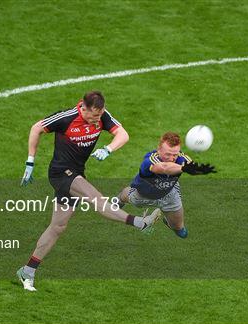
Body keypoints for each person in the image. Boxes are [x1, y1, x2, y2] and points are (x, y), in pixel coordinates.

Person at [16, 91, 161, 291]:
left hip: (77, 173)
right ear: (83, 107)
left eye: (99, 116)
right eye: (93, 116)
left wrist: (108, 149)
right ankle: (141, 223)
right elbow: (36, 128)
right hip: (60, 173)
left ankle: (28, 271)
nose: (96, 120)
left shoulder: (102, 116)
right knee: (95, 198)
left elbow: (123, 134)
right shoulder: (66, 118)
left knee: (57, 227)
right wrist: (30, 161)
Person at [117, 132, 216, 239]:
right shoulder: (150, 159)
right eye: (167, 154)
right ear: (159, 149)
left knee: (181, 232)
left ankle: (169, 220)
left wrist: (197, 170)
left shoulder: (182, 158)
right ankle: (118, 201)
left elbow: (189, 164)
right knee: (126, 195)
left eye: (175, 154)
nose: (171, 158)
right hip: (143, 195)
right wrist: (182, 168)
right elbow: (163, 168)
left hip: (169, 196)